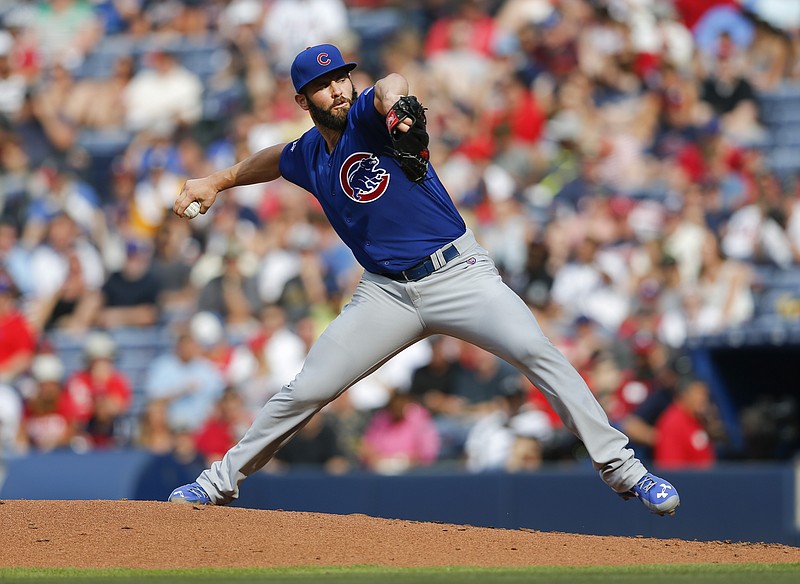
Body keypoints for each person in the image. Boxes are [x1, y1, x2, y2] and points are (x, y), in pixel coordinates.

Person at [168, 43, 680, 516]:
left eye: (342, 77)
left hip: (457, 271)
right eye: (324, 85)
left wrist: (396, 109)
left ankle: (626, 471)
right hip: (386, 292)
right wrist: (214, 181)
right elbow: (274, 160)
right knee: (307, 389)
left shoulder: (370, 117)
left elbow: (392, 81)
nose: (339, 89)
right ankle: (217, 483)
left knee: (539, 353)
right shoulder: (308, 153)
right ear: (304, 100)